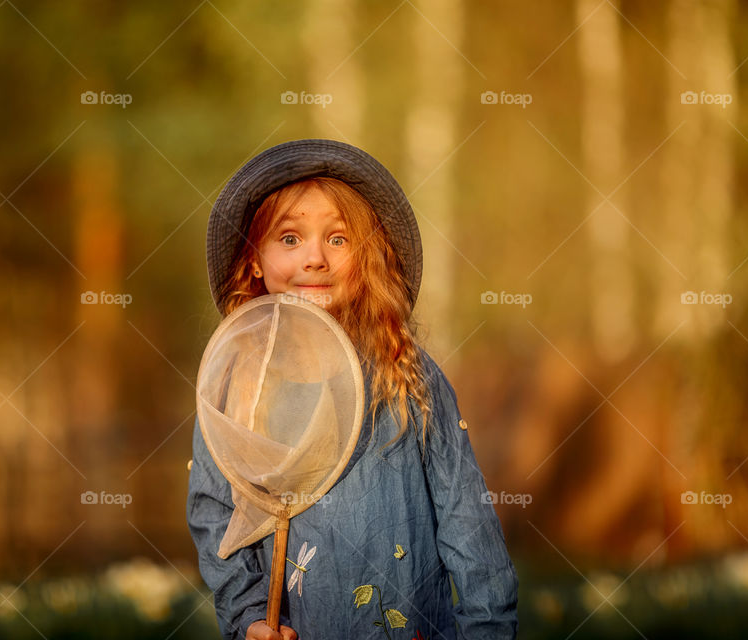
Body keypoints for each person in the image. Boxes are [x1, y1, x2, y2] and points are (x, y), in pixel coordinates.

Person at [187, 139, 518, 640]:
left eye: (338, 240)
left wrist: (488, 628)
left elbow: (466, 520)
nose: (315, 258)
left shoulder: (406, 374)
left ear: (367, 256)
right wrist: (250, 615)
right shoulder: (236, 381)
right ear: (254, 259)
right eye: (290, 239)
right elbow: (214, 510)